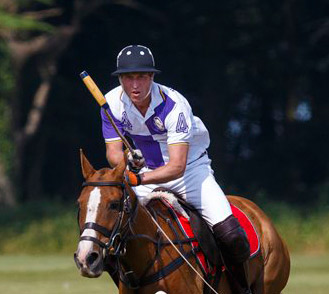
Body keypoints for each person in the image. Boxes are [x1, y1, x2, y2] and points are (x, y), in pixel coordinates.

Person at [101, 45, 251, 294]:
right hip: (144, 173)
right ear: (120, 79)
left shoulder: (174, 105)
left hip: (191, 172)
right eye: (128, 77)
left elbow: (177, 166)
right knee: (113, 233)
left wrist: (138, 178)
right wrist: (127, 161)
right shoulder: (111, 104)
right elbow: (113, 153)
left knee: (230, 234)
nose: (135, 85)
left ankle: (241, 288)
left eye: (141, 77)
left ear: (152, 77)